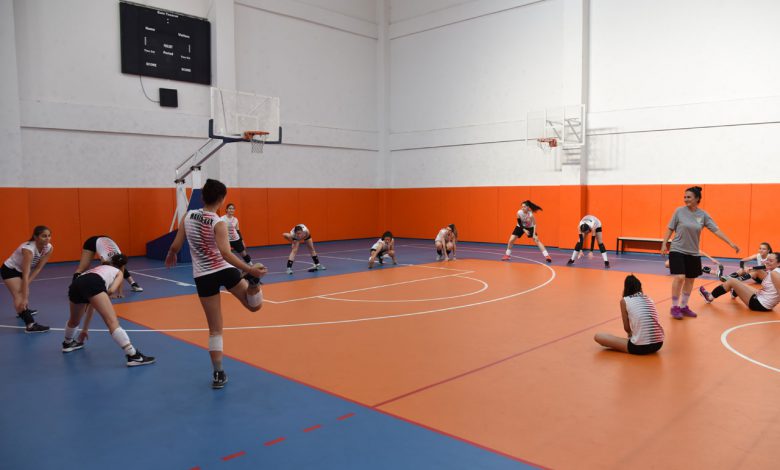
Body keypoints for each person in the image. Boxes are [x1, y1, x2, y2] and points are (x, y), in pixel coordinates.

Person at [166, 179, 267, 389]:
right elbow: (225, 253)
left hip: (203, 276)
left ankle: (218, 374)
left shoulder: (188, 217)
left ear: (202, 197)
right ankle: (254, 283)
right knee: (254, 306)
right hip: (225, 270)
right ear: (221, 200)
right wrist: (249, 270)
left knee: (214, 330)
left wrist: (171, 254)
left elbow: (176, 245)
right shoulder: (218, 222)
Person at [61, 253, 155, 366]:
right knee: (112, 322)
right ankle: (133, 356)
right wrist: (106, 294)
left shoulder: (99, 267)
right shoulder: (119, 272)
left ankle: (67, 343)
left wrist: (85, 329)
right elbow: (111, 291)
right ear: (123, 266)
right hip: (94, 283)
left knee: (74, 320)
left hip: (77, 283)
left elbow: (92, 303)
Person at [660, 186, 739, 320]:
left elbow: (716, 230)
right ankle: (674, 307)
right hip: (677, 249)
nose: (686, 199)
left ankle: (684, 307)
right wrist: (664, 244)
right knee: (680, 277)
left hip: (693, 252)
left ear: (697, 199)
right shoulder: (679, 211)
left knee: (690, 280)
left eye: (689, 197)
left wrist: (730, 243)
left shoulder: (703, 215)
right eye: (684, 197)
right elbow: (669, 228)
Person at [594, 274, 664, 354]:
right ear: (640, 287)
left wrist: (631, 335)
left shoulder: (624, 301)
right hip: (658, 344)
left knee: (598, 337)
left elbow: (627, 328)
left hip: (640, 347)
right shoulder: (649, 299)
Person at [1, 226, 52, 332]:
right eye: (43, 236)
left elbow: (38, 268)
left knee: (24, 290)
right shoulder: (28, 249)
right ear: (35, 237)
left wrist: (27, 284)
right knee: (19, 295)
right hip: (10, 270)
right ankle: (30, 325)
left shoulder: (49, 248)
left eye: (49, 236)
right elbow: (26, 273)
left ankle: (23, 310)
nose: (47, 238)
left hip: (21, 271)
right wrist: (25, 297)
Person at [699, 251, 780, 312]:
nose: (767, 262)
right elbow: (761, 269)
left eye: (771, 261)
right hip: (763, 299)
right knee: (756, 272)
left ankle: (709, 297)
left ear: (778, 263)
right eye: (767, 260)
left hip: (759, 304)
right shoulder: (775, 270)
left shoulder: (774, 273)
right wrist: (751, 269)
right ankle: (735, 288)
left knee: (732, 281)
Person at [74, 236, 143, 293]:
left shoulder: (120, 257)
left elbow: (121, 274)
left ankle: (133, 284)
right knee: (82, 268)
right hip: (92, 242)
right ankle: (75, 288)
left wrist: (120, 292)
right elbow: (106, 275)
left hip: (106, 240)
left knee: (120, 269)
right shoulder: (105, 259)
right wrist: (110, 292)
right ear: (112, 262)